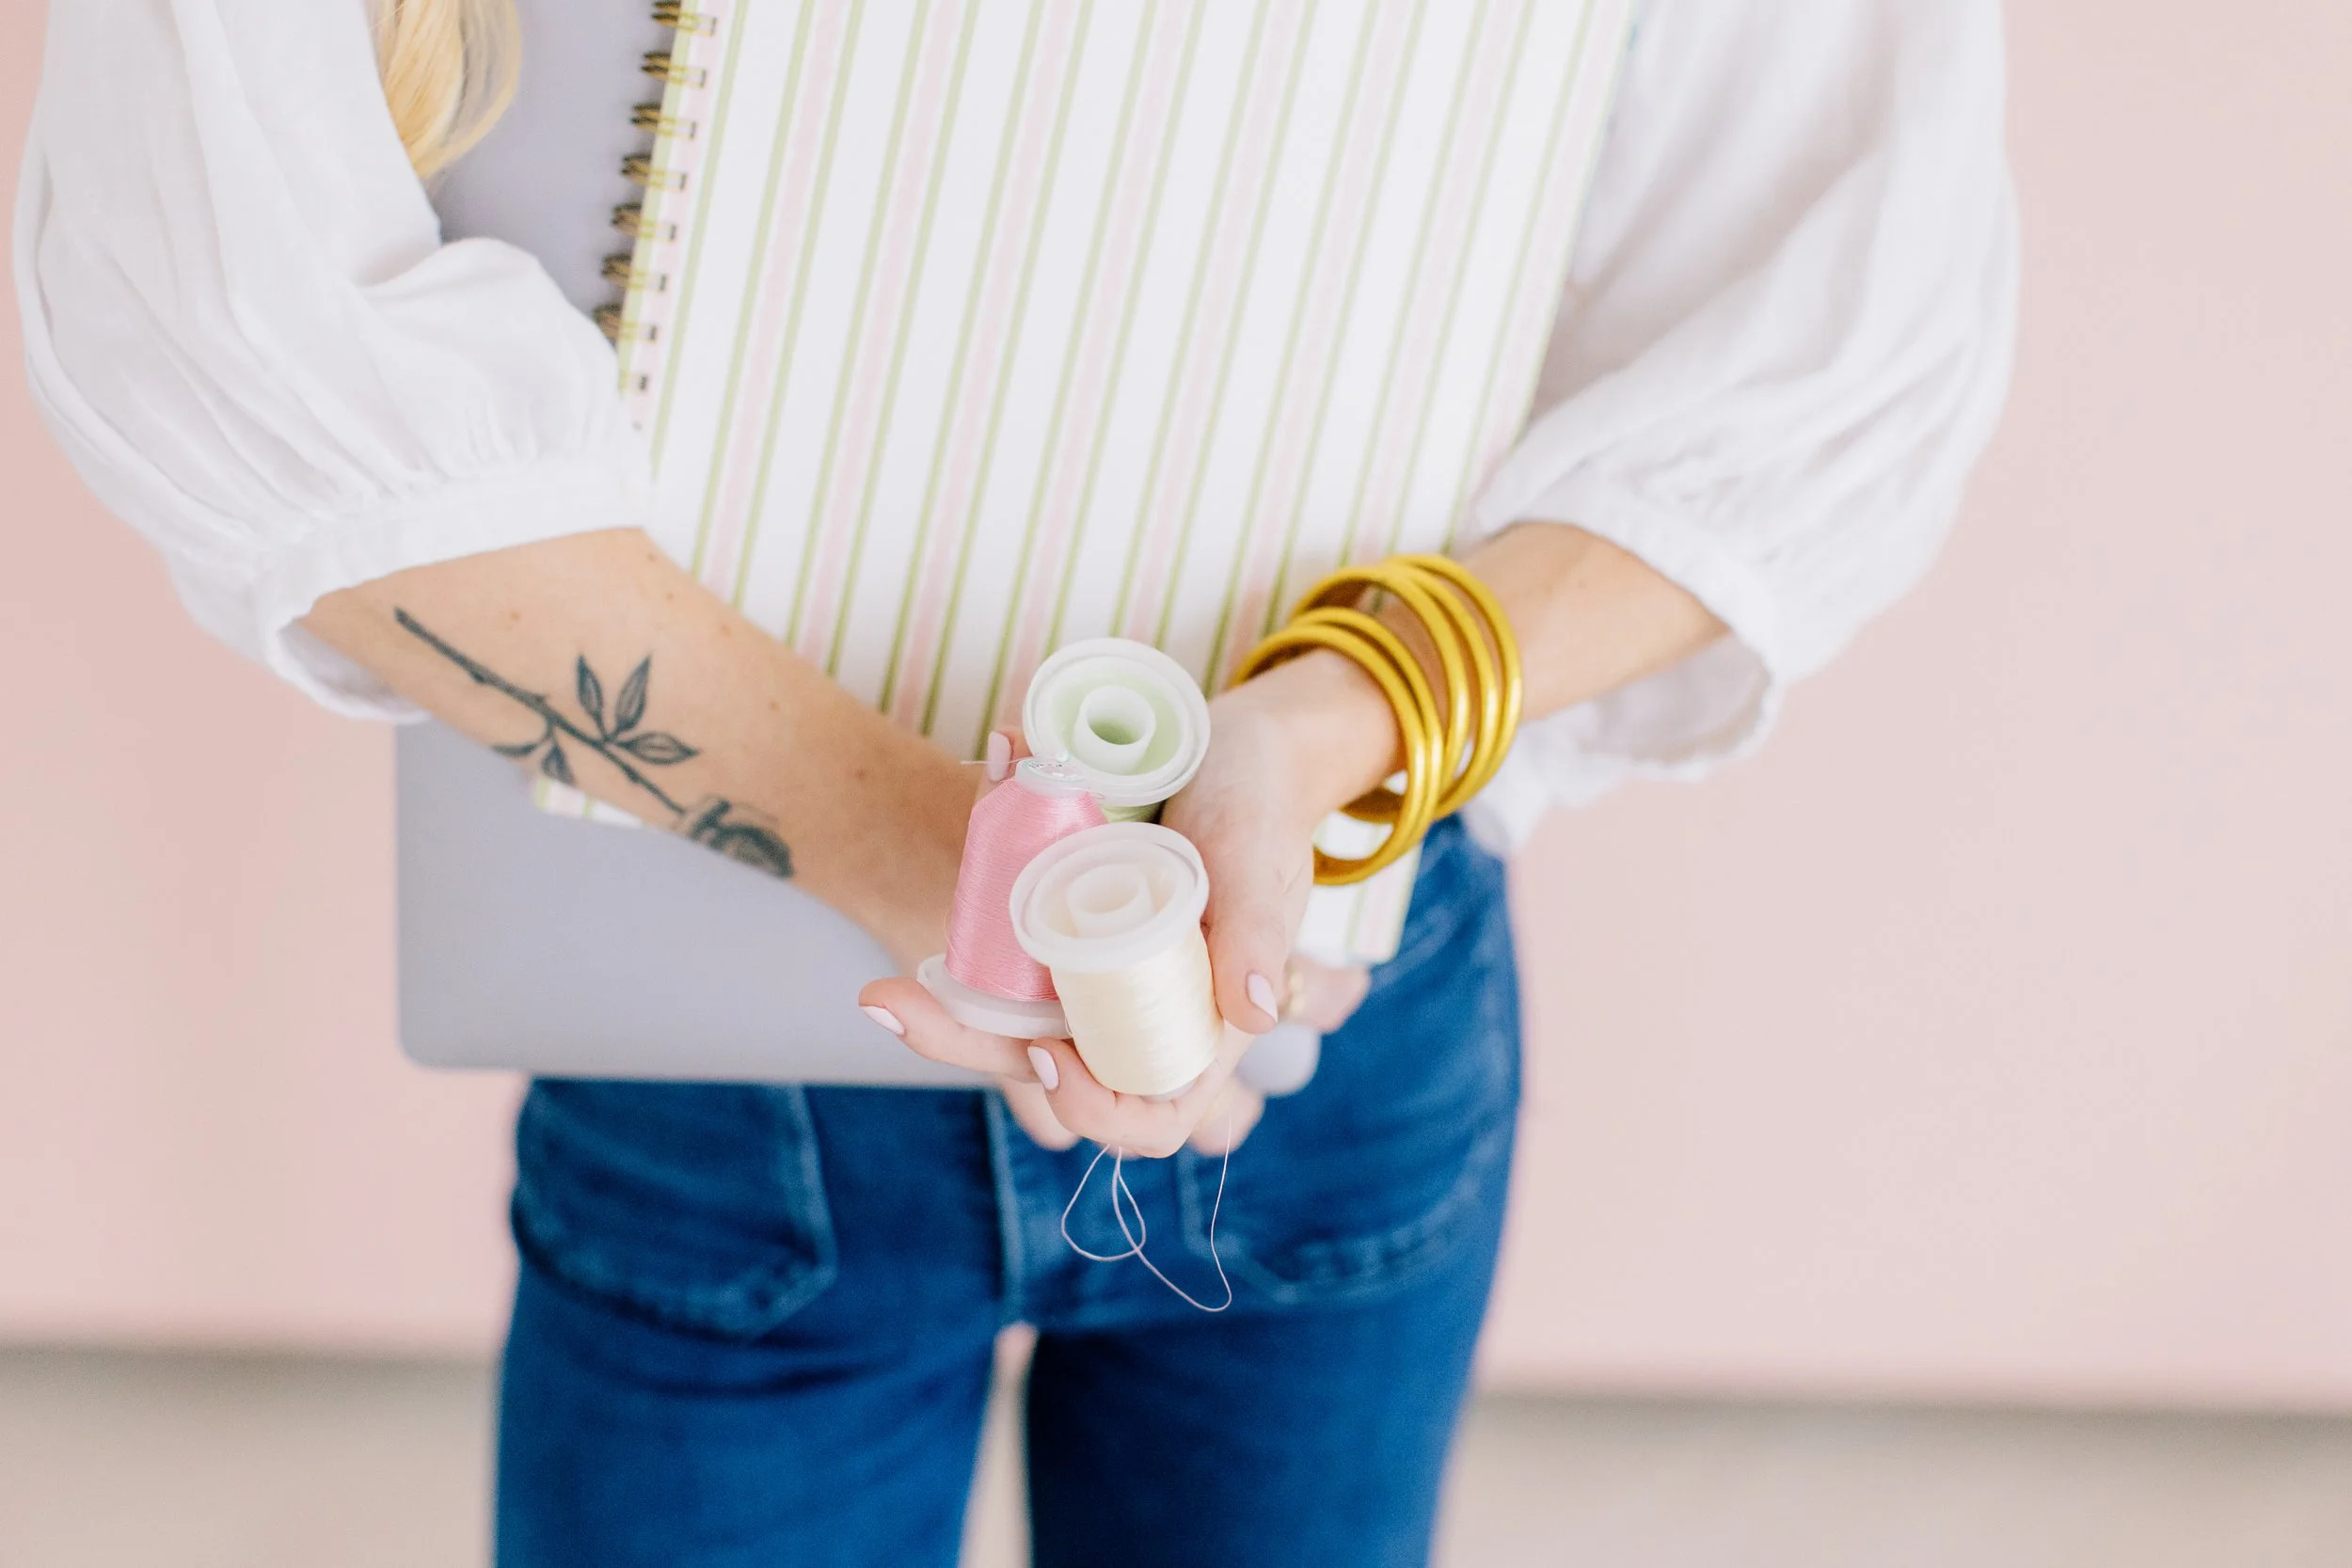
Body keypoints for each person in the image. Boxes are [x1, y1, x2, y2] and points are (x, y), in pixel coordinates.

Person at [16, 1, 2016, 1562]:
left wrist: (1306, 726)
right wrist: (1021, 841)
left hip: (1230, 988)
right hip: (845, 1023)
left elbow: (1834, 358)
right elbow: (226, 321)